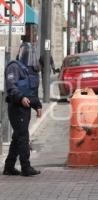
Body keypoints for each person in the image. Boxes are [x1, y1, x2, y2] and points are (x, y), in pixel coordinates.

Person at [3, 42, 42, 176]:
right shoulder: (14, 67)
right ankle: (26, 167)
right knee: (23, 136)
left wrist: (37, 106)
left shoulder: (31, 69)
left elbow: (32, 91)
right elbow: (11, 86)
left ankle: (9, 166)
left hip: (25, 108)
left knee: (17, 136)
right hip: (16, 107)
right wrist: (20, 98)